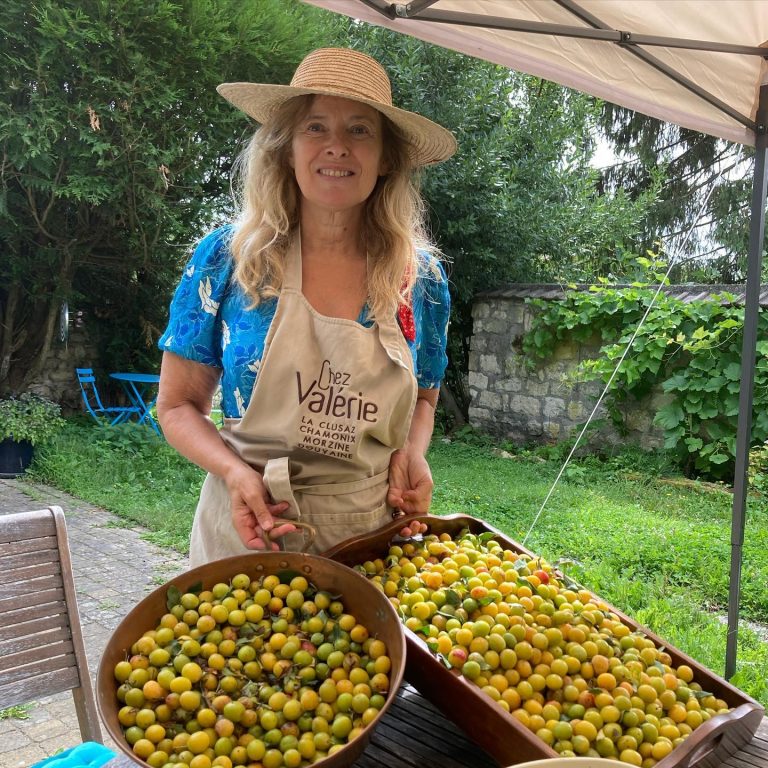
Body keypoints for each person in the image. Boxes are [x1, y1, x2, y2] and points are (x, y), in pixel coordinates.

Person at [156, 47, 457, 566]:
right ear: (286, 149)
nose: (337, 146)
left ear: (386, 158)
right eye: (315, 127)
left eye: (360, 130)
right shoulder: (229, 258)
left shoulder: (419, 276)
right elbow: (177, 405)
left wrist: (412, 454)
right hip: (249, 526)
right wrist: (233, 473)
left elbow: (425, 399)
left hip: (367, 539)